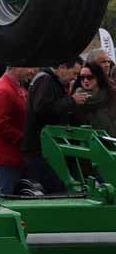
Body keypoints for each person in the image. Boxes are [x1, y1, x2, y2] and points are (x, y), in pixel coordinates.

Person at [23, 59, 88, 193]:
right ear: (62, 67)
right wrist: (71, 100)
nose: (74, 78)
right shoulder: (46, 81)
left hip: (43, 148)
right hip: (41, 149)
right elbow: (42, 110)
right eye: (74, 74)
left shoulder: (47, 80)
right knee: (52, 190)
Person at [0, 65, 35, 195]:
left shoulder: (16, 87)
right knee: (7, 196)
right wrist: (23, 139)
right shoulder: (4, 90)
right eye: (27, 67)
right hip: (9, 157)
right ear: (16, 67)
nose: (30, 70)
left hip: (17, 155)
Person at [74, 60, 116, 135]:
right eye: (82, 77)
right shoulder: (77, 98)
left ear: (98, 77)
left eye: (90, 77)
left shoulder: (110, 93)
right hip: (91, 141)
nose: (85, 80)